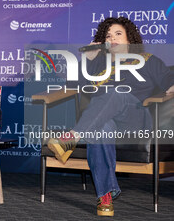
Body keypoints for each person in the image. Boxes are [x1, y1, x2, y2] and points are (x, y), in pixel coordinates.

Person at [47, 17, 174, 216]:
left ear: (129, 38)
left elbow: (170, 81)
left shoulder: (148, 60)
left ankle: (70, 138)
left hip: (136, 120)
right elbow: (77, 86)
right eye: (108, 35)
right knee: (102, 128)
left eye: (118, 34)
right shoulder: (98, 64)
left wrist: (170, 91)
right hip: (106, 121)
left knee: (116, 92)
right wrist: (87, 60)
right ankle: (105, 196)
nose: (112, 38)